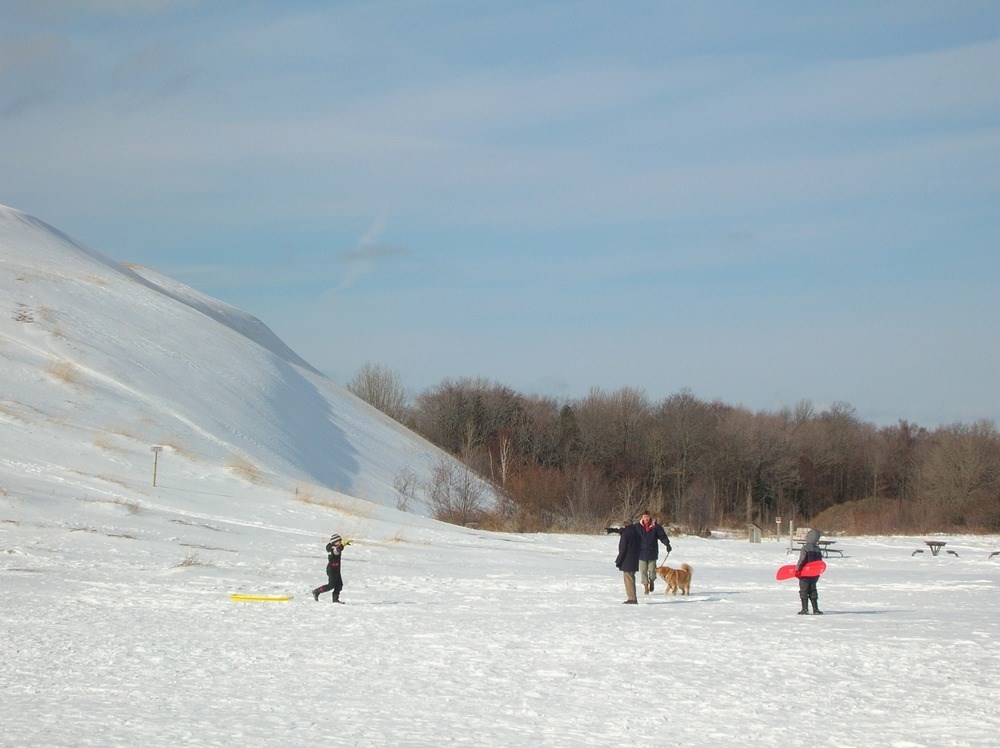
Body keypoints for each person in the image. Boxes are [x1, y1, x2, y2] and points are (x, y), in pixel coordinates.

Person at [636, 511, 672, 594]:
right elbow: (630, 533)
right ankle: (646, 586)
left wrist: (667, 544)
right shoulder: (638, 527)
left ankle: (651, 581)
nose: (646, 518)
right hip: (641, 553)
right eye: (644, 517)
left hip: (652, 552)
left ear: (650, 517)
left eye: (647, 516)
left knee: (652, 571)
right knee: (643, 571)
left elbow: (662, 536)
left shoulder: (656, 527)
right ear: (642, 517)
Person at [795, 528, 823, 615]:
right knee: (813, 590)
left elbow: (802, 560)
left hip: (805, 574)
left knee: (804, 590)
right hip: (814, 575)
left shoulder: (805, 548)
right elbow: (820, 563)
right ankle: (815, 609)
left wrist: (798, 570)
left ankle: (805, 609)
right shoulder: (818, 549)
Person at [312, 534, 348, 603]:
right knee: (331, 585)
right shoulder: (332, 548)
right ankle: (317, 591)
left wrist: (342, 545)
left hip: (337, 569)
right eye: (339, 541)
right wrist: (343, 545)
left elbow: (338, 548)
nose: (340, 542)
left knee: (339, 585)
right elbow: (336, 551)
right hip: (331, 569)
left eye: (341, 541)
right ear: (335, 542)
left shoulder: (334, 546)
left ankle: (335, 600)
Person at [614, 519, 641, 604]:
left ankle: (632, 598)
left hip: (627, 560)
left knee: (628, 579)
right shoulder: (636, 533)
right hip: (635, 559)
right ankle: (633, 597)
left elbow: (623, 549)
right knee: (632, 578)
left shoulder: (625, 534)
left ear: (625, 526)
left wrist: (618, 561)